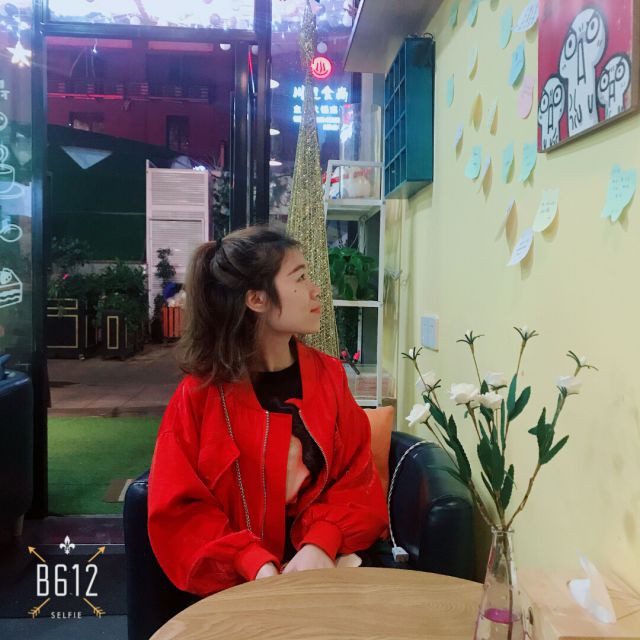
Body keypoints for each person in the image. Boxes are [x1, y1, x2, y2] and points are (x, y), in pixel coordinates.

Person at [147, 226, 388, 597]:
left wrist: (321, 542)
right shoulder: (200, 395)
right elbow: (181, 511)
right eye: (300, 277)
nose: (316, 289)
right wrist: (253, 562)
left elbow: (356, 477)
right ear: (257, 299)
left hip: (328, 566)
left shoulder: (329, 376)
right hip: (238, 583)